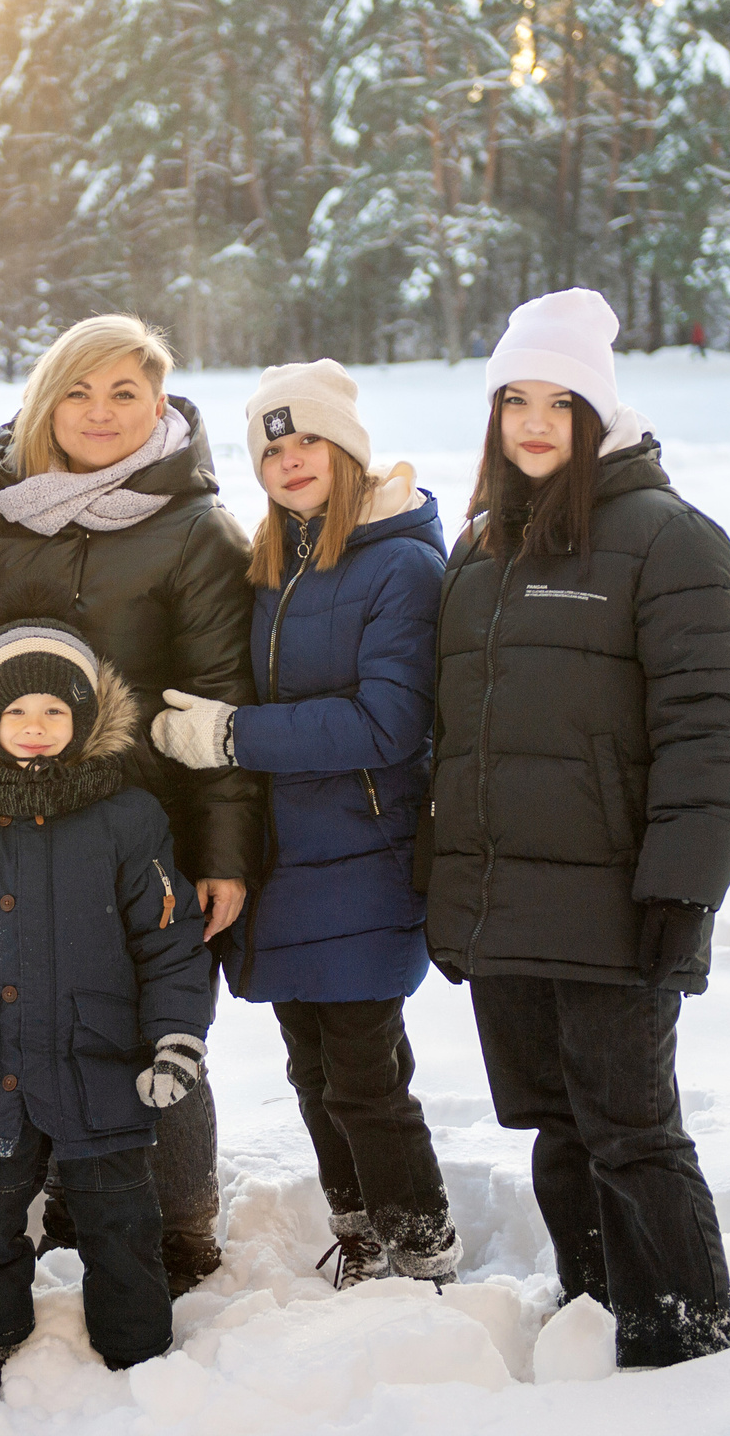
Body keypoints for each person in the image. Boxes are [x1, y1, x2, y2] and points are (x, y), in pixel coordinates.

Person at [423, 287, 730, 1369]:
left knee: (630, 1132)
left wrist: (681, 890)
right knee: (558, 1131)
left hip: (617, 900)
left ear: (595, 412)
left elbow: (709, 732)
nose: (530, 422)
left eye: (555, 402)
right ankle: (593, 1319)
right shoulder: (479, 553)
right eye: (511, 399)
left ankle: (689, 1352)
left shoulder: (668, 540)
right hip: (506, 904)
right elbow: (459, 744)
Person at [0, 313, 261, 1293]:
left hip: (141, 826)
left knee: (153, 1020)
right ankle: (59, 1202)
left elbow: (221, 698)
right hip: (1, 820)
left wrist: (225, 851)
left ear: (159, 405)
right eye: (78, 391)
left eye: (124, 393)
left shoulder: (196, 530)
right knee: (25, 1015)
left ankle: (179, 1221)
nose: (100, 413)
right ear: (44, 402)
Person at [149, 361, 460, 1290]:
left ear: (348, 450)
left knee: (366, 1075)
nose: (289, 463)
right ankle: (359, 1225)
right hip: (288, 864)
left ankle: (422, 1245)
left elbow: (388, 723)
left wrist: (232, 737)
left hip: (365, 856)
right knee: (311, 1069)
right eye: (272, 450)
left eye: (307, 442)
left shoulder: (399, 563)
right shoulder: (270, 564)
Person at [0, 621, 215, 1388]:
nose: (36, 729)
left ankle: (139, 1356)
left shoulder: (128, 818)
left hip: (100, 1062)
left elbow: (169, 939)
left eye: (55, 712)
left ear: (87, 721)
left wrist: (176, 1039)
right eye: (17, 714)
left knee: (123, 1221)